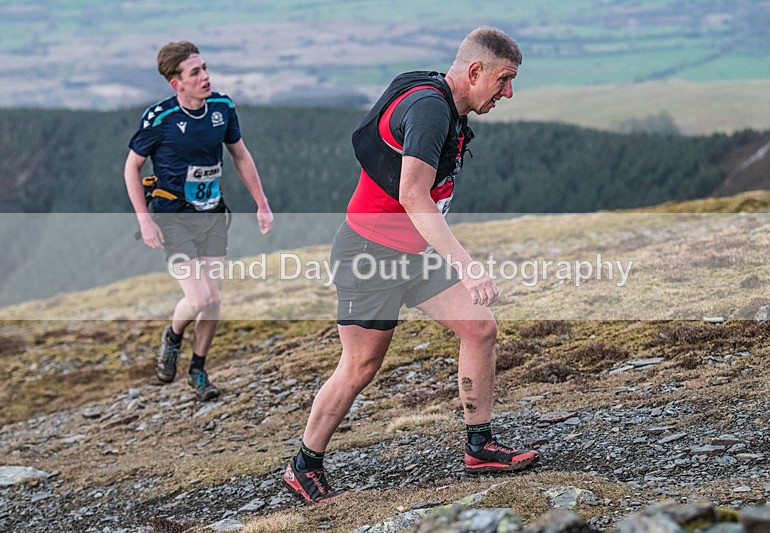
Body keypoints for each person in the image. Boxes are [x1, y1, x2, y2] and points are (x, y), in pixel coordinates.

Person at [282, 27, 538, 504]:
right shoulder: (429, 111)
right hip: (369, 256)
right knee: (360, 366)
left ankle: (479, 446)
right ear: (475, 70)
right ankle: (304, 464)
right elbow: (412, 195)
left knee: (480, 328)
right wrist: (467, 266)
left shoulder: (444, 103)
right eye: (504, 79)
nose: (509, 92)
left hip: (414, 255)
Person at [123, 41, 273, 401]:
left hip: (212, 215)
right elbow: (132, 167)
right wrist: (145, 220)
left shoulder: (222, 108)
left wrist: (261, 202)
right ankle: (173, 336)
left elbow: (240, 155)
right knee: (200, 295)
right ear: (176, 83)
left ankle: (198, 370)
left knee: (215, 299)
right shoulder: (159, 119)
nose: (205, 76)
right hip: (172, 218)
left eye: (205, 68)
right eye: (195, 72)